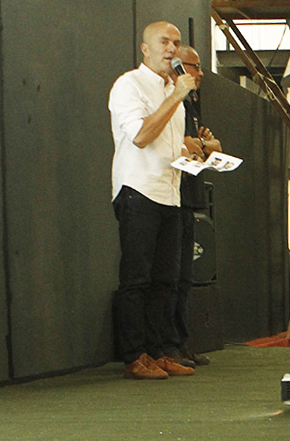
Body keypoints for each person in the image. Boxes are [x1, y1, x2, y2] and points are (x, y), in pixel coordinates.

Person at [109, 21, 198, 380]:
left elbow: (168, 145)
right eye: (164, 42)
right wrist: (176, 97)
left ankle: (158, 351)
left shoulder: (172, 89)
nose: (172, 49)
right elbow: (142, 136)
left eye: (176, 43)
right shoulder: (129, 85)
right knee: (137, 278)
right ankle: (134, 355)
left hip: (169, 192)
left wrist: (192, 156)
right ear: (145, 48)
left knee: (166, 280)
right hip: (138, 189)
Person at [165, 44, 218, 368]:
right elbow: (187, 144)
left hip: (190, 196)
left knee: (186, 276)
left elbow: (209, 145)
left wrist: (201, 144)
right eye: (195, 66)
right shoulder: (171, 100)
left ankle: (180, 343)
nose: (200, 74)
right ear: (179, 67)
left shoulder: (192, 102)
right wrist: (198, 144)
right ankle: (166, 345)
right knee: (170, 276)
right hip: (170, 196)